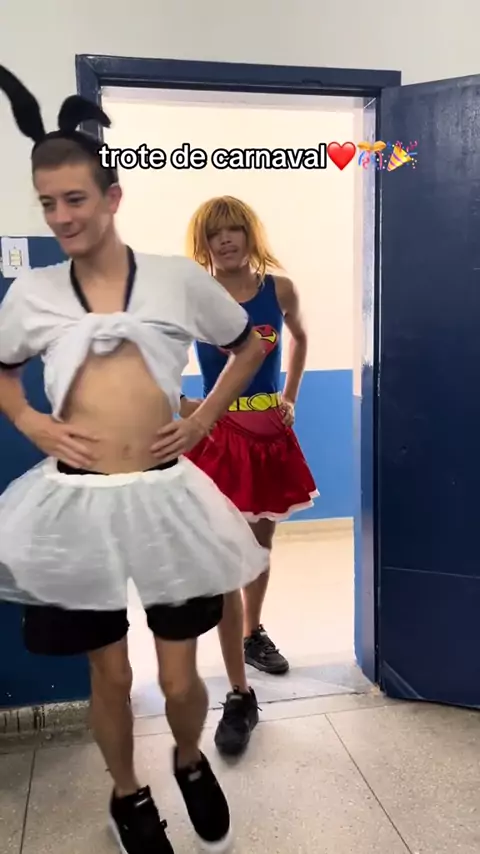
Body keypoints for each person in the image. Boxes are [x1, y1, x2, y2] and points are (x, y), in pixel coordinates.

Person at [0, 68, 270, 854]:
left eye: (74, 199)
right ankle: (128, 794)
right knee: (111, 676)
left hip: (165, 501)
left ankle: (188, 759)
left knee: (180, 678)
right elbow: (4, 371)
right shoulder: (33, 293)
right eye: (47, 203)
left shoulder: (178, 280)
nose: (61, 217)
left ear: (111, 196)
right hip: (75, 506)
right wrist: (30, 420)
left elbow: (249, 345)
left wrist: (203, 419)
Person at [181, 195, 318, 757]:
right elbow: (156, 355)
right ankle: (238, 691)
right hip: (218, 441)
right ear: (204, 242)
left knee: (259, 548)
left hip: (267, 437)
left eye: (235, 228)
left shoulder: (278, 289)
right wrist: (183, 405)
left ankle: (251, 632)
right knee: (224, 558)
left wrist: (290, 396)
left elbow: (301, 338)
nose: (226, 239)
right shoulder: (194, 295)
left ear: (248, 234)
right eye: (216, 232)